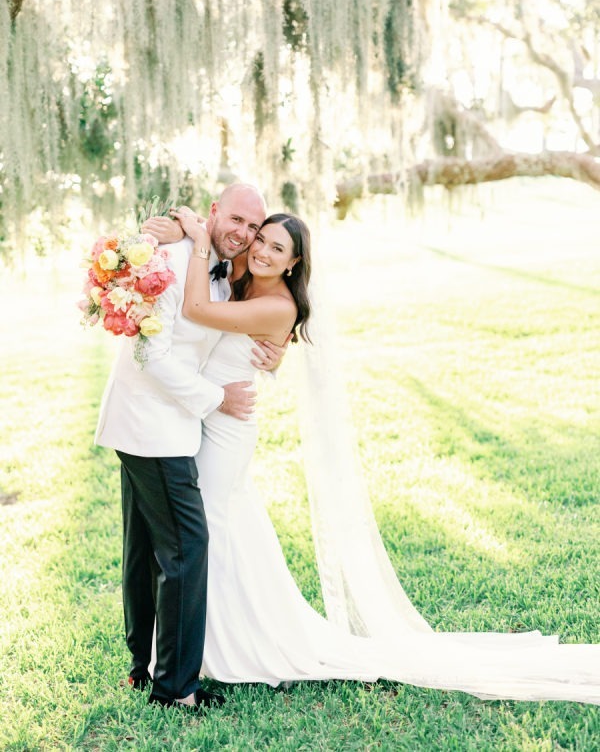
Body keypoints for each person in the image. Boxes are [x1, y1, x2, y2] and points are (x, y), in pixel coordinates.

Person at [155, 207, 600, 704]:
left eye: (276, 248)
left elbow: (197, 308)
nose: (259, 249)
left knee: (210, 526)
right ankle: (213, 641)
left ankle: (229, 648)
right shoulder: (244, 277)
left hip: (228, 431)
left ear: (294, 262)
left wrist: (195, 241)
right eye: (261, 239)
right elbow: (219, 241)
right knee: (225, 530)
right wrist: (186, 228)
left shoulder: (278, 305)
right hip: (207, 417)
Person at [95, 183, 284, 711]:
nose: (244, 234)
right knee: (185, 546)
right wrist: (215, 398)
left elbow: (259, 319)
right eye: (237, 220)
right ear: (214, 212)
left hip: (165, 423)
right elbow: (152, 356)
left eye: (253, 227)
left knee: (144, 547)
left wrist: (271, 356)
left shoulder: (225, 267)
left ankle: (142, 665)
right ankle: (176, 690)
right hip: (149, 424)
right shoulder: (172, 262)